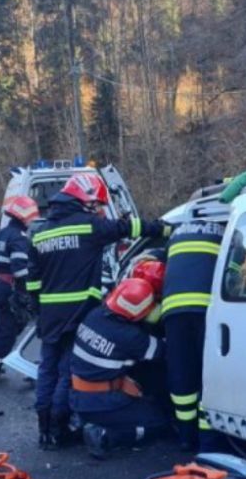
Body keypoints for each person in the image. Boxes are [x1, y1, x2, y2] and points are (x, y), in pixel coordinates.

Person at [26, 173, 169, 450]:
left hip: (49, 316)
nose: (100, 210)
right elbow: (128, 227)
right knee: (67, 373)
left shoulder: (40, 232)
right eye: (98, 205)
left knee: (47, 370)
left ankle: (44, 430)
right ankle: (60, 429)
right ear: (87, 201)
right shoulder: (88, 226)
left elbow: (32, 281)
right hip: (77, 313)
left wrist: (38, 310)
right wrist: (163, 231)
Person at [71, 269, 169, 460]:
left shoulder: (95, 315)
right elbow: (163, 352)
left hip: (79, 395)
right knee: (158, 422)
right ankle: (106, 435)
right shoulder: (130, 336)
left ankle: (83, 420)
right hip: (102, 401)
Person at [161, 218, 226, 452]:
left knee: (182, 376)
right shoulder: (226, 232)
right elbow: (236, 271)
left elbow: (164, 264)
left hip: (173, 311)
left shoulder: (177, 233)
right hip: (207, 310)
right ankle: (209, 443)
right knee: (208, 376)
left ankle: (186, 438)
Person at [0, 196, 40, 384]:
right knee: (6, 330)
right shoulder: (19, 238)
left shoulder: (0, 234)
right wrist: (27, 293)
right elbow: (21, 270)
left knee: (6, 327)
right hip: (9, 288)